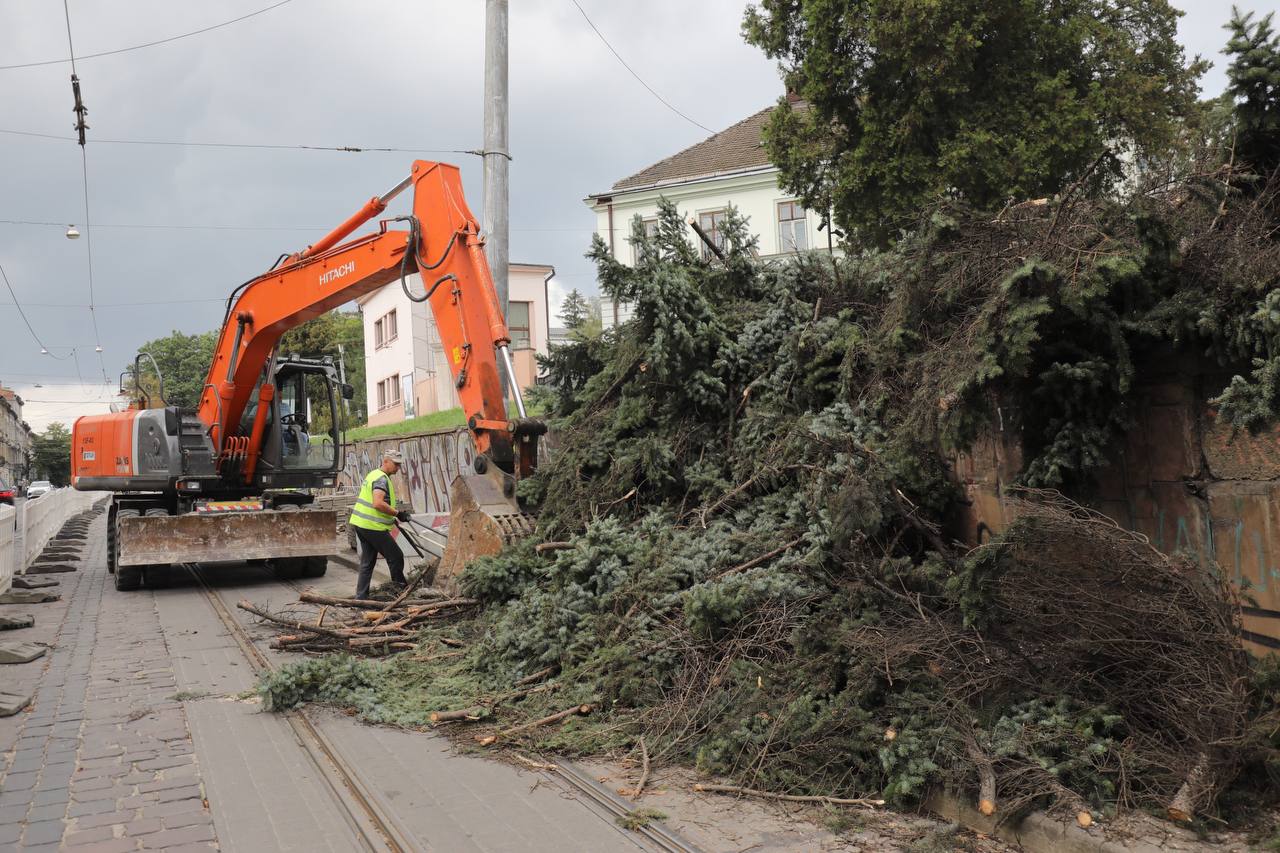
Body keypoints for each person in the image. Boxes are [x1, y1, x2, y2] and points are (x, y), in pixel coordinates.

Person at [348, 449, 413, 600]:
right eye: (395, 464)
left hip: (361, 525)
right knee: (396, 556)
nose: (398, 468)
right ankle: (400, 592)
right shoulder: (381, 479)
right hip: (372, 527)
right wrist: (397, 513)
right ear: (385, 461)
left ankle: (361, 597)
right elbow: (377, 503)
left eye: (399, 465)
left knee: (367, 562)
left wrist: (392, 517)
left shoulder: (373, 474)